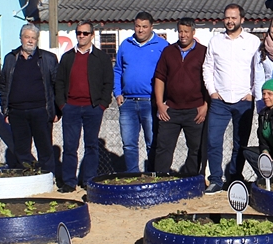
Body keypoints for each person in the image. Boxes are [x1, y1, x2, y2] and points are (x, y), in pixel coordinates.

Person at [202, 3, 262, 192]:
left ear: (242, 19)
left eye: (233, 17)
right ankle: (215, 180)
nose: (229, 21)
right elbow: (207, 67)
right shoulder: (215, 41)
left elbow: (257, 69)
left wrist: (252, 92)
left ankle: (235, 177)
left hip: (244, 100)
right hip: (219, 101)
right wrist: (212, 91)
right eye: (227, 17)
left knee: (240, 143)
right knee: (213, 140)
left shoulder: (253, 41)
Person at [55, 21, 114, 192]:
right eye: (79, 33)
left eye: (85, 33)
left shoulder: (101, 58)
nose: (81, 36)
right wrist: (62, 105)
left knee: (91, 146)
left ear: (92, 35)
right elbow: (59, 82)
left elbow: (107, 82)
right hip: (71, 107)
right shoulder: (67, 57)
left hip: (93, 108)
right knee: (70, 146)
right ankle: (69, 182)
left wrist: (102, 104)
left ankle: (89, 181)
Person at [0, 23, 58, 175]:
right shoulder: (11, 58)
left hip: (41, 111)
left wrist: (56, 110)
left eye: (33, 38)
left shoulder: (48, 58)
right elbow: (4, 85)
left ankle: (46, 177)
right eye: (27, 37)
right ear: (21, 38)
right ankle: (27, 176)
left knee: (44, 148)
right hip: (17, 112)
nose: (30, 41)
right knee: (21, 149)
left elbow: (56, 85)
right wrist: (5, 111)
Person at [152, 17, 209, 175]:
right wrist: (160, 104)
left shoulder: (203, 52)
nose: (183, 35)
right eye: (180, 31)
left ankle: (191, 180)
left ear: (193, 32)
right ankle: (161, 180)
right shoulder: (168, 51)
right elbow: (160, 78)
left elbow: (209, 80)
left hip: (195, 110)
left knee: (196, 148)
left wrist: (205, 105)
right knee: (163, 147)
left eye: (186, 31)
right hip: (171, 110)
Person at [113, 11, 168, 173]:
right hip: (128, 103)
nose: (141, 30)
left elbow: (168, 74)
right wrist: (117, 93)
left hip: (151, 102)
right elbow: (117, 70)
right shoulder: (126, 44)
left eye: (144, 27)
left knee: (152, 143)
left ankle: (152, 175)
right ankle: (133, 177)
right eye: (138, 26)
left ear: (152, 27)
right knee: (129, 144)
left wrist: (163, 100)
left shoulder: (162, 46)